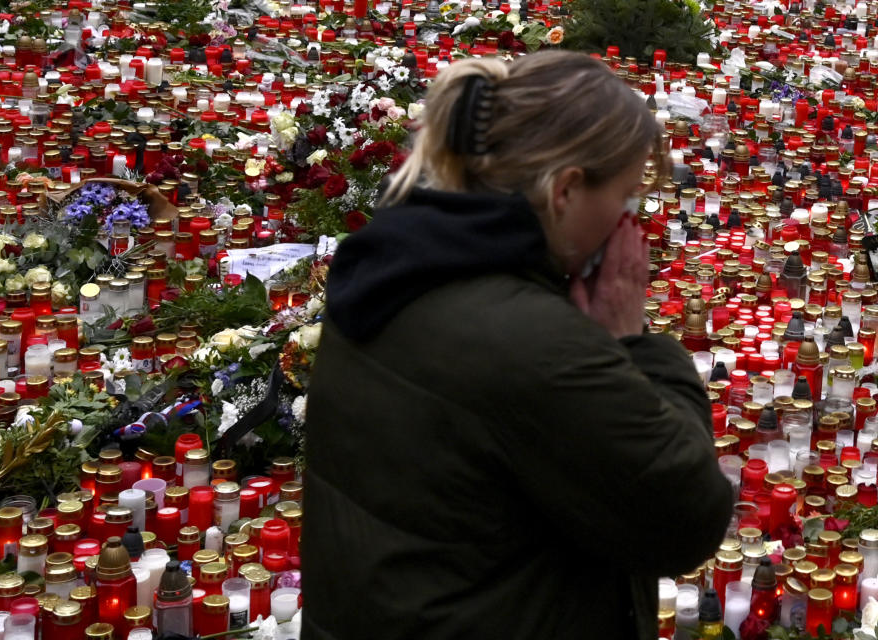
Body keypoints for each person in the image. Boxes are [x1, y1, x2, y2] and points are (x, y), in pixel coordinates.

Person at [301, 50, 733, 639]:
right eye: (627, 197)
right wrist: (632, 341)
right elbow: (686, 513)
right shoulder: (531, 341)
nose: (633, 222)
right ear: (565, 192)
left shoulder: (390, 267)